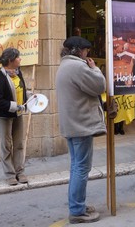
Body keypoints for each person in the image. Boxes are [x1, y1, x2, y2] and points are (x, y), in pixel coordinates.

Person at [56, 36, 106, 224]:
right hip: (80, 125)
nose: (87, 54)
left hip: (72, 124)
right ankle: (77, 210)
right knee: (81, 168)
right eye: (86, 51)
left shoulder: (65, 65)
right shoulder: (78, 67)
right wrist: (95, 69)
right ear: (78, 50)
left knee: (76, 166)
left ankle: (77, 205)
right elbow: (99, 86)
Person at [0, 48, 31, 186]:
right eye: (18, 57)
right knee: (6, 146)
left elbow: (21, 91)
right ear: (10, 61)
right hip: (4, 117)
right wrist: (14, 106)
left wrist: (30, 98)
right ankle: (9, 175)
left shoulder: (19, 74)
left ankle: (20, 172)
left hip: (18, 114)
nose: (20, 59)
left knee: (19, 144)